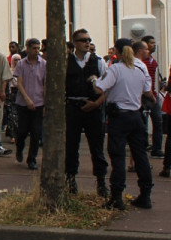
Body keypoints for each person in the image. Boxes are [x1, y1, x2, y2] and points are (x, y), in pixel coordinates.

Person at [93, 39, 155, 209]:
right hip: (136, 115)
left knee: (118, 156)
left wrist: (94, 80)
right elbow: (146, 91)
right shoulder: (140, 69)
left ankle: (116, 196)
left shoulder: (116, 69)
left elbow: (100, 88)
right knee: (140, 155)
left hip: (119, 117)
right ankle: (146, 194)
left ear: (117, 52)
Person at [65, 28, 109, 197]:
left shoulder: (98, 62)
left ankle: (101, 181)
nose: (87, 43)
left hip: (93, 108)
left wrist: (97, 103)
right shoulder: (66, 61)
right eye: (83, 40)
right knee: (71, 145)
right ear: (75, 43)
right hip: (72, 106)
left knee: (97, 146)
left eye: (89, 40)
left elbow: (108, 85)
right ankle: (70, 179)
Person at [13, 38, 46, 170]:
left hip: (39, 103)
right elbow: (19, 83)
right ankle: (19, 148)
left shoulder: (44, 64)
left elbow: (45, 83)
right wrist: (27, 99)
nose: (37, 51)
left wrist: (45, 102)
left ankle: (32, 159)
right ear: (27, 48)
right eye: (34, 48)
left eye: (38, 48)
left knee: (36, 132)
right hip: (23, 103)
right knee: (22, 131)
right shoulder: (21, 64)